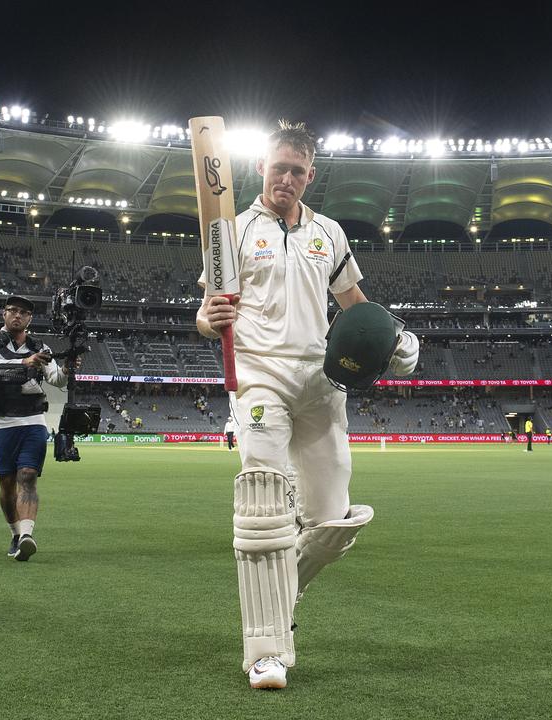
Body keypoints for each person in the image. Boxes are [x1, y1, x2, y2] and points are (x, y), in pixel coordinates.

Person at [197, 121, 419, 690]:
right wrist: (208, 319)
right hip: (258, 378)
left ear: (310, 176)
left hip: (321, 381)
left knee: (331, 520)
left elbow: (356, 307)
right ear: (261, 170)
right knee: (264, 503)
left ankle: (273, 593)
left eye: (298, 171)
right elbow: (207, 311)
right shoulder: (232, 230)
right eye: (279, 169)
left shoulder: (330, 234)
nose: (287, 179)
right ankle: (266, 650)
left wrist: (395, 337)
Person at [0, 295, 67, 561]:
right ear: (3, 314)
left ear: (29, 318)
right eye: (12, 310)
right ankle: (15, 533)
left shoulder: (40, 346)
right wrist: (25, 363)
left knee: (27, 475)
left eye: (23, 312)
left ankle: (27, 534)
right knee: (6, 485)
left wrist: (68, 369)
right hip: (2, 422)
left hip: (33, 420)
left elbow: (56, 379)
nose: (17, 315)